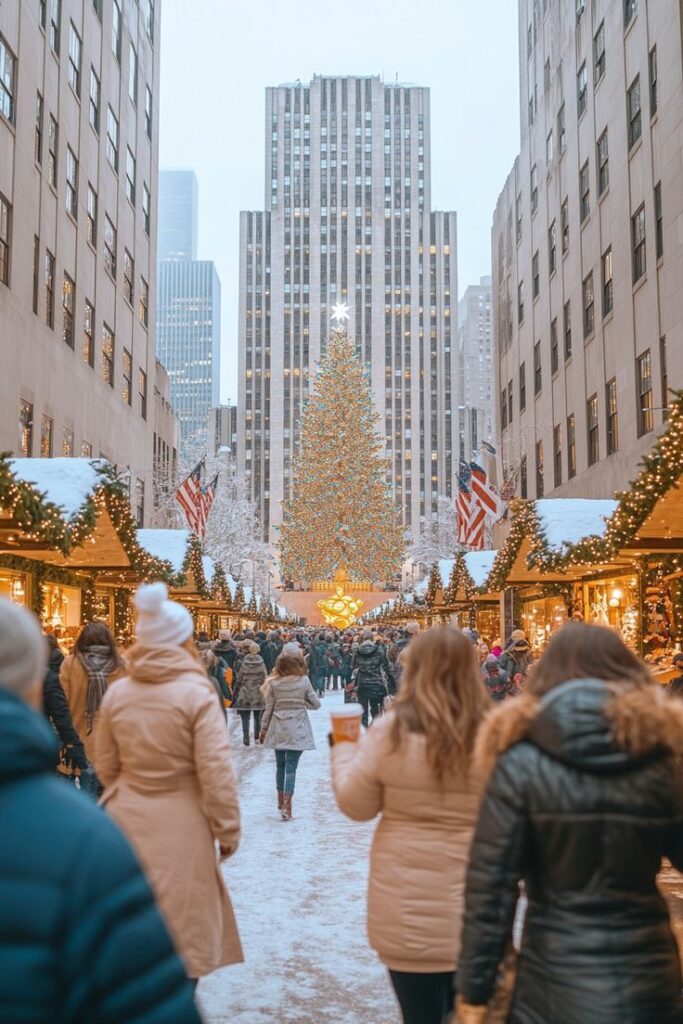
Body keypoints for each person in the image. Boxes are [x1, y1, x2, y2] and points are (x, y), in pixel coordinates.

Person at [456, 622, 683, 1024]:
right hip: (648, 967)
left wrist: (475, 992)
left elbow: (491, 891)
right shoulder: (658, 756)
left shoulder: (518, 761)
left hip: (553, 969)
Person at [0, 598, 201, 1023]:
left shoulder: (72, 666)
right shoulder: (85, 846)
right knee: (93, 805)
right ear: (27, 682)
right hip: (100, 753)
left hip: (81, 745)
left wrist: (70, 737)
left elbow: (68, 702)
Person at [331, 626, 488, 1024]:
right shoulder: (496, 732)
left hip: (406, 906)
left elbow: (357, 805)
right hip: (479, 903)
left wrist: (345, 747)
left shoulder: (392, 731)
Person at [95, 583, 243, 983]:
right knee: (182, 927)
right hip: (183, 819)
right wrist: (227, 828)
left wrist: (128, 789)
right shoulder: (195, 692)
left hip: (124, 816)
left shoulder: (119, 691)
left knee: (130, 917)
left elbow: (105, 762)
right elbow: (215, 769)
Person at [259, 649, 321, 820]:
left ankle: (280, 801)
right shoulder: (304, 681)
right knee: (291, 766)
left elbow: (268, 709)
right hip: (297, 727)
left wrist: (263, 729)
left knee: (280, 765)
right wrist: (301, 703)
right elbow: (316, 704)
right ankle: (288, 804)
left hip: (278, 727)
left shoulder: (274, 683)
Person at [60, 621, 125, 769]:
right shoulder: (122, 666)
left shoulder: (70, 664)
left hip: (78, 743)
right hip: (113, 745)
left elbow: (62, 704)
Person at [42, 633, 88, 775]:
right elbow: (60, 714)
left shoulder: (69, 663)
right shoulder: (45, 675)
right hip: (37, 744)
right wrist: (75, 747)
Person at [352, 628, 395, 726]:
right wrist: (392, 683)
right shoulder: (379, 650)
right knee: (376, 712)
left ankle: (365, 733)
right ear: (372, 638)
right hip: (377, 683)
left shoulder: (357, 651)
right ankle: (374, 731)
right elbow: (387, 667)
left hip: (362, 684)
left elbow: (353, 666)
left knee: (363, 712)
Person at [233, 640, 267, 745]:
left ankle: (246, 738)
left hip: (245, 693)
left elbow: (239, 679)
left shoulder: (244, 664)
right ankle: (257, 736)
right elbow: (265, 678)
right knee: (257, 717)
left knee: (245, 717)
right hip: (257, 693)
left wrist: (235, 691)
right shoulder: (261, 664)